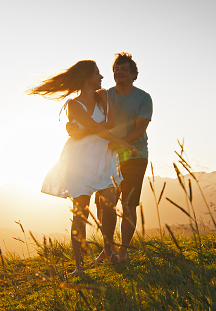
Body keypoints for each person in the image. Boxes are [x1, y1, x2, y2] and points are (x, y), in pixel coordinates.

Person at [26, 60, 137, 276]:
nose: (102, 77)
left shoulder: (104, 96)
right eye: (97, 73)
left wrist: (82, 131)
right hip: (80, 160)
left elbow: (110, 123)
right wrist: (123, 144)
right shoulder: (73, 105)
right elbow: (97, 127)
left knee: (109, 206)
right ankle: (79, 266)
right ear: (86, 78)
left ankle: (109, 251)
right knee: (81, 212)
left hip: (104, 156)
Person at [68, 53, 153, 263]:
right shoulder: (104, 95)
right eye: (116, 69)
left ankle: (123, 252)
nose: (118, 73)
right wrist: (72, 126)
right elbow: (87, 117)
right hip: (107, 157)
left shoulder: (143, 98)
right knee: (105, 205)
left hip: (134, 155)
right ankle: (108, 250)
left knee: (128, 205)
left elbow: (140, 128)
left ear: (134, 75)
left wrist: (118, 142)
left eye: (124, 69)